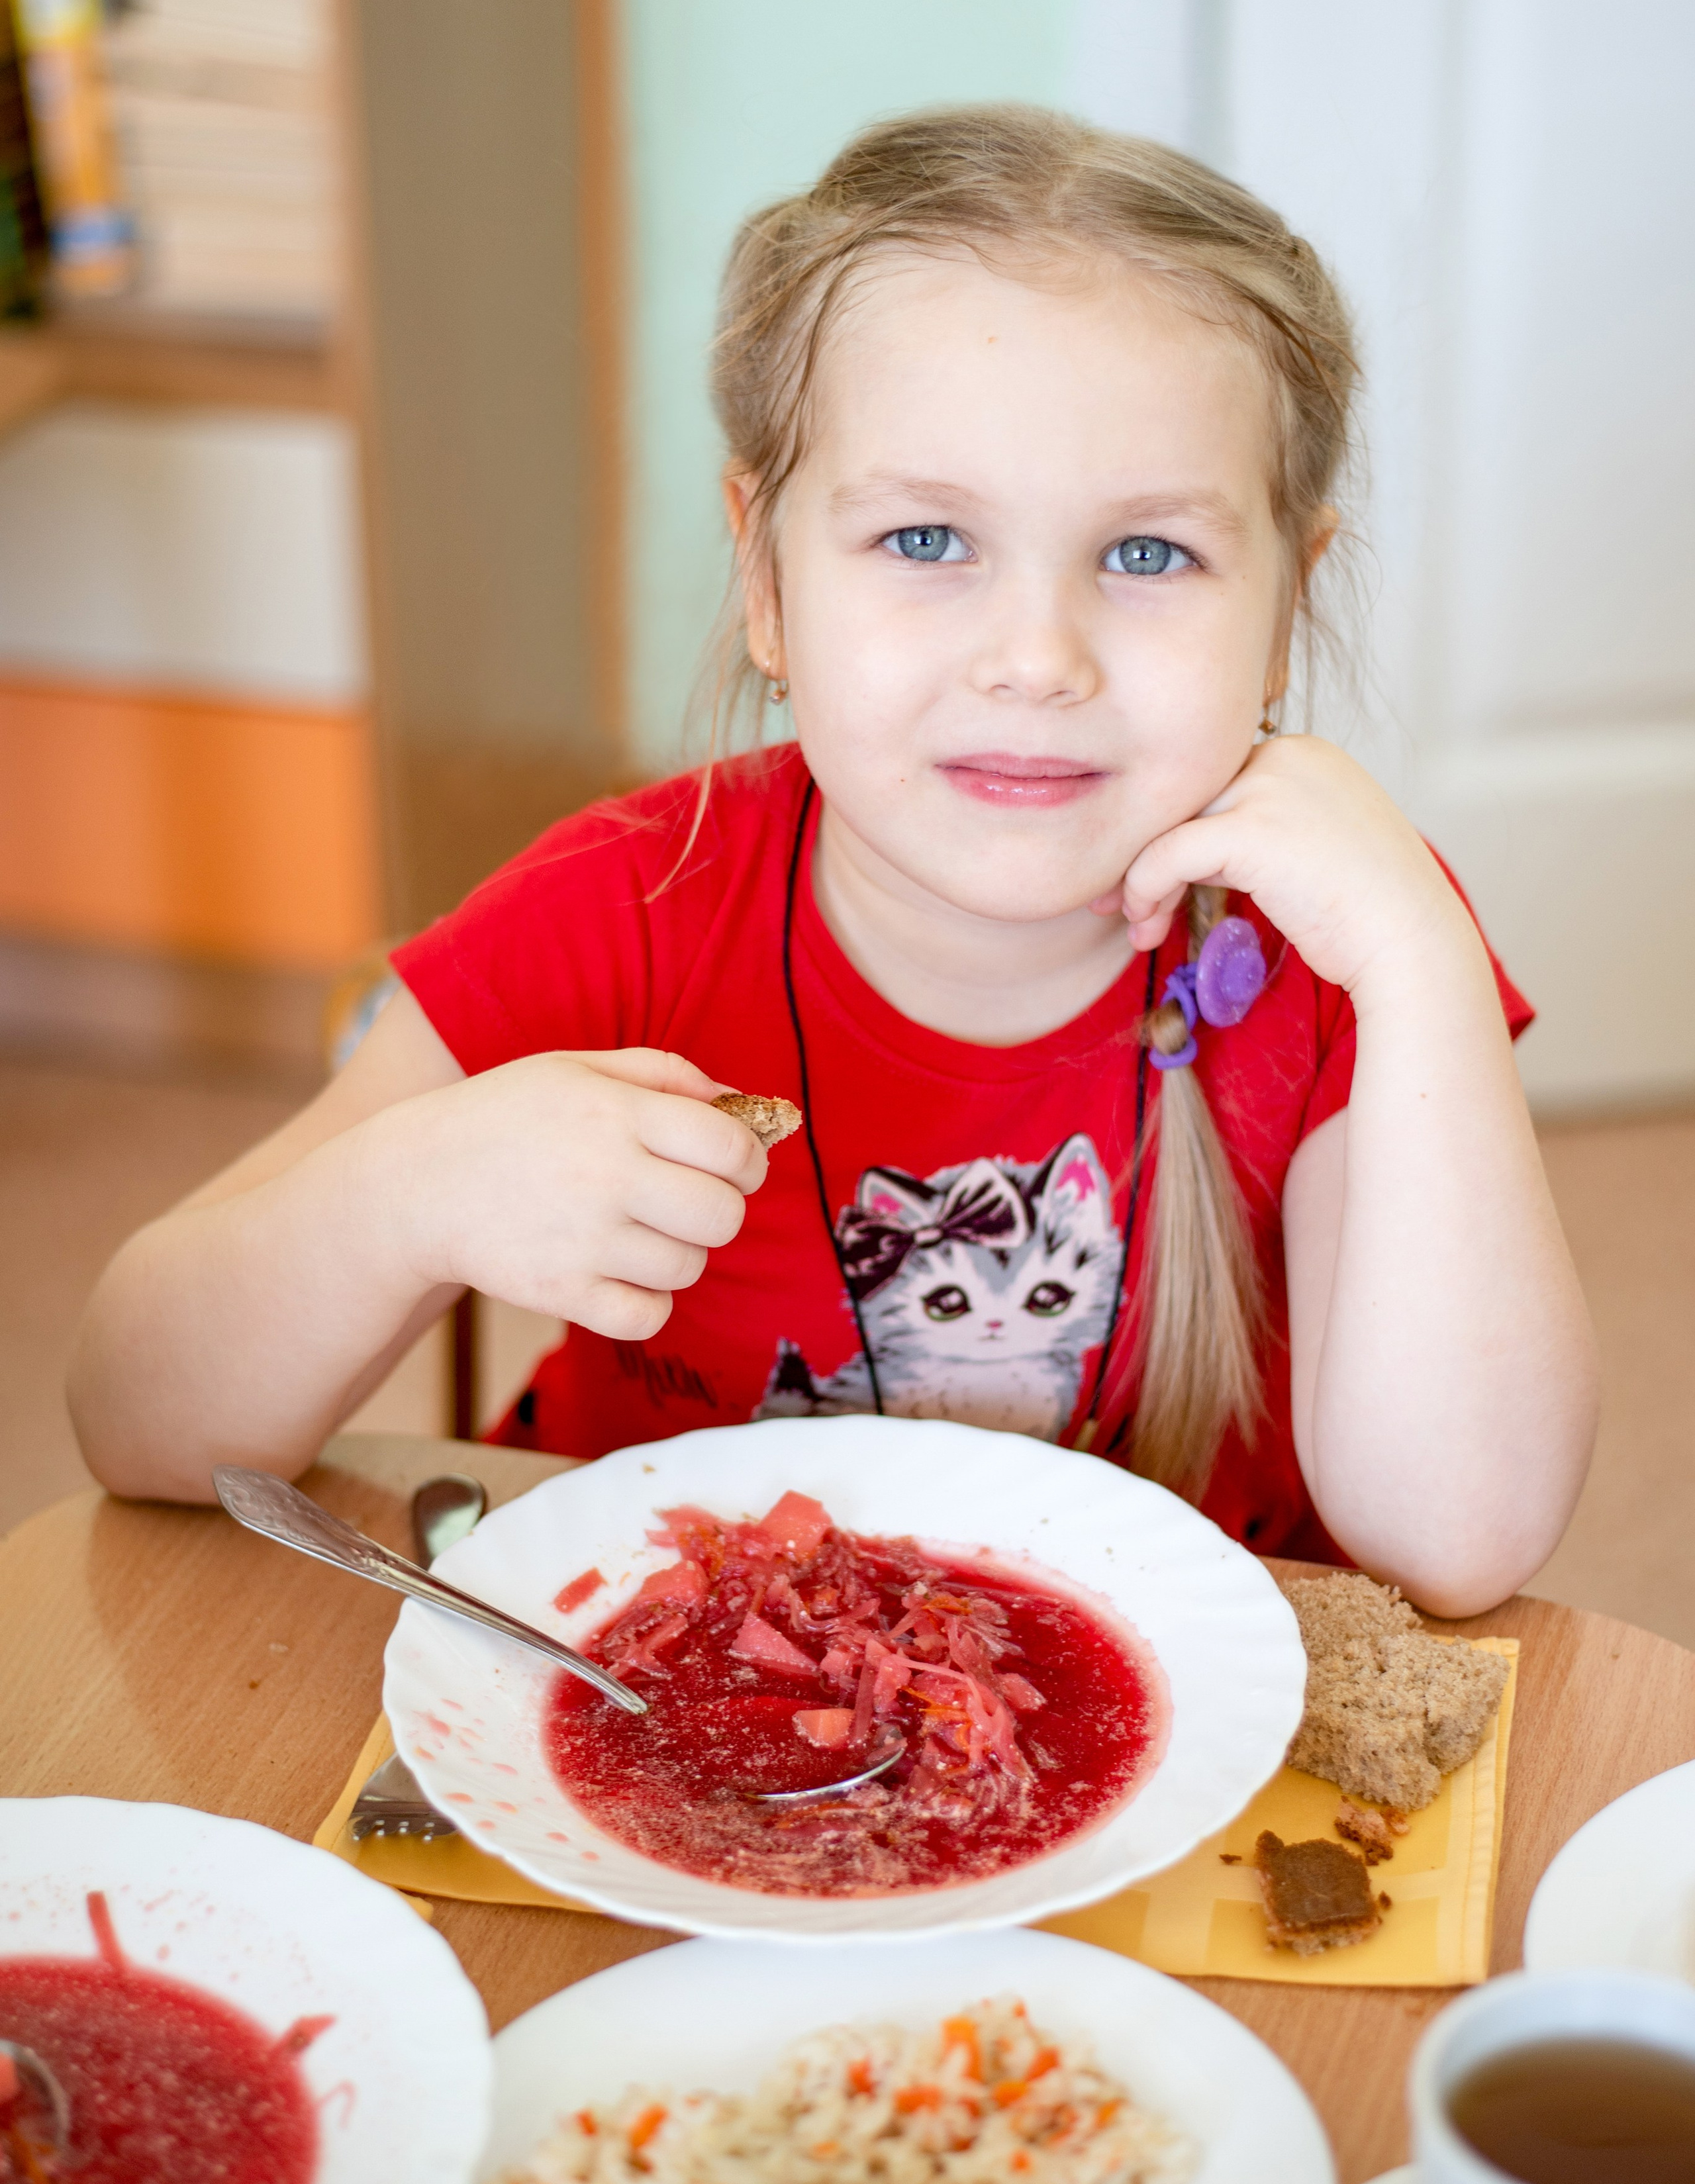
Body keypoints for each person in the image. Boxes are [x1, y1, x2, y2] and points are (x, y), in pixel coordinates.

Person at [69, 107, 1597, 1615]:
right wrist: (400, 1200)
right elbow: (138, 1418)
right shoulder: (626, 910)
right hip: (657, 1737)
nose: (1035, 658)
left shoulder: (1343, 947)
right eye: (926, 540)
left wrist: (1418, 967)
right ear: (765, 579)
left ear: (1281, 608)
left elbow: (1455, 1541)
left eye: (1146, 555)